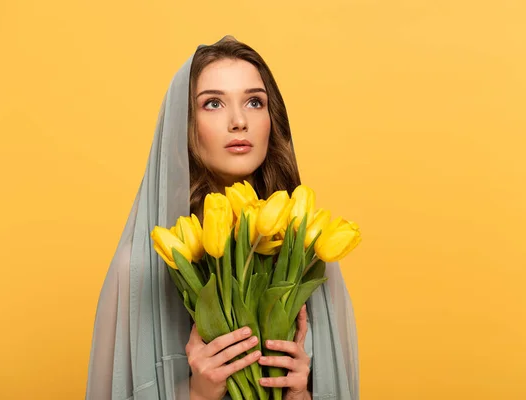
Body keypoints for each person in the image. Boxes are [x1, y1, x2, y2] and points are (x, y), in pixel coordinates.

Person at [85, 35, 359, 400]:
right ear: (183, 124)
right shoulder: (137, 268)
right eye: (213, 103)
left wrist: (299, 393)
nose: (239, 121)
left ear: (272, 120)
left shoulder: (308, 252)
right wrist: (197, 393)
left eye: (254, 102)